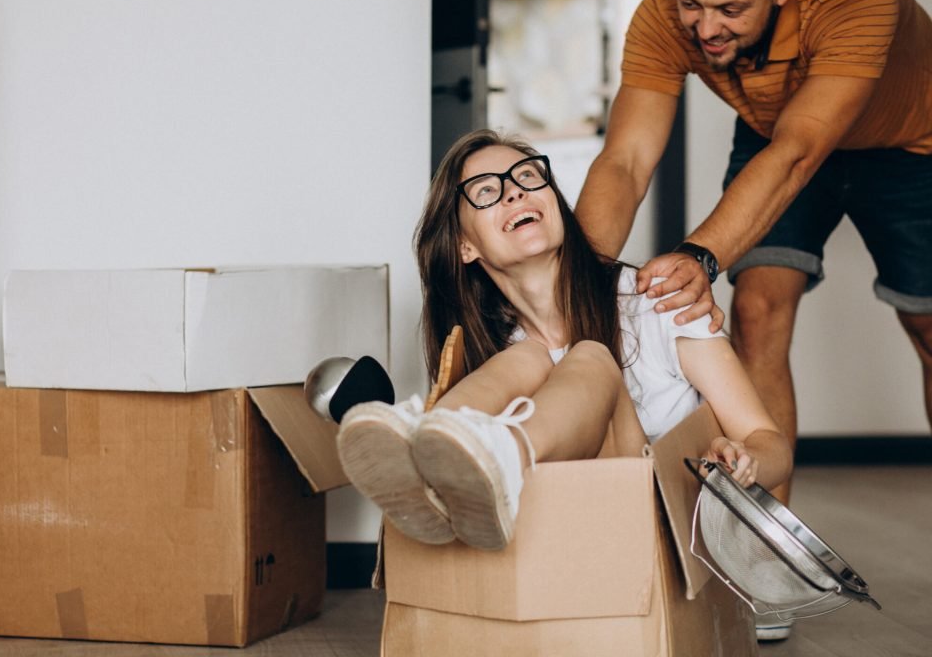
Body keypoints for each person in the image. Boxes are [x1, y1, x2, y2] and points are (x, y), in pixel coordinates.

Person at [575, 0, 932, 512]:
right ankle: (770, 550)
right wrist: (575, 281)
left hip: (906, 145)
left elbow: (803, 151)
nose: (706, 28)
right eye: (692, 4)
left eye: (731, 10)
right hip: (776, 133)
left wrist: (698, 255)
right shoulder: (666, 10)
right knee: (758, 312)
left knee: (928, 327)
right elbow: (626, 159)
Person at [336, 129, 791, 557]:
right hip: (552, 538)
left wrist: (745, 461)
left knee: (589, 356)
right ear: (463, 247)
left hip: (658, 530)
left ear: (555, 203)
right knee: (527, 357)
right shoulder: (497, 349)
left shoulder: (658, 300)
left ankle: (498, 456)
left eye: (528, 177)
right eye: (486, 191)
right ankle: (428, 446)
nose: (515, 190)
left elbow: (771, 444)